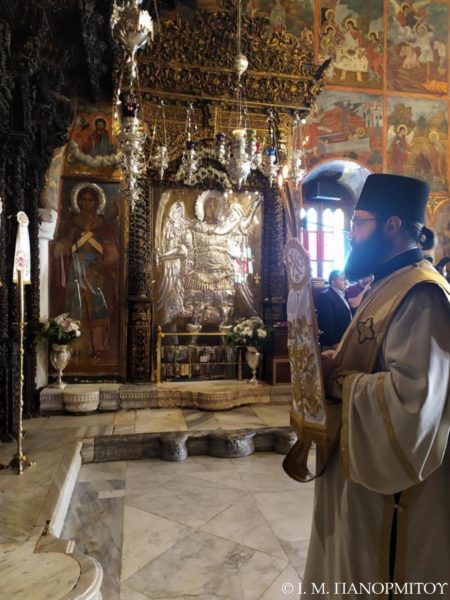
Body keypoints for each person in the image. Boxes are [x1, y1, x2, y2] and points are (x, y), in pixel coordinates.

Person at [301, 174, 450, 598]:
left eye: (358, 223)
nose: (351, 234)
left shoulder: (422, 295)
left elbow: (413, 405)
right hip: (358, 486)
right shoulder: (388, 284)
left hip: (393, 500)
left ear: (392, 225)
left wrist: (340, 380)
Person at [53, 183, 119, 357]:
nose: (86, 203)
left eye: (90, 200)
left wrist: (100, 263)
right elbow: (63, 246)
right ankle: (77, 346)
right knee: (77, 305)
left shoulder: (103, 225)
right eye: (83, 199)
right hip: (76, 269)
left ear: (96, 202)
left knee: (97, 307)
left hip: (97, 272)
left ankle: (97, 345)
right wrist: (62, 246)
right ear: (78, 201)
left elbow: (112, 252)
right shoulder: (71, 224)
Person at [314, 270, 352, 350]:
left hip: (343, 339)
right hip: (333, 343)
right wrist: (333, 342)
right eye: (342, 280)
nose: (345, 282)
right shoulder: (325, 296)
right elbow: (326, 322)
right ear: (333, 282)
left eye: (345, 279)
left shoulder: (342, 294)